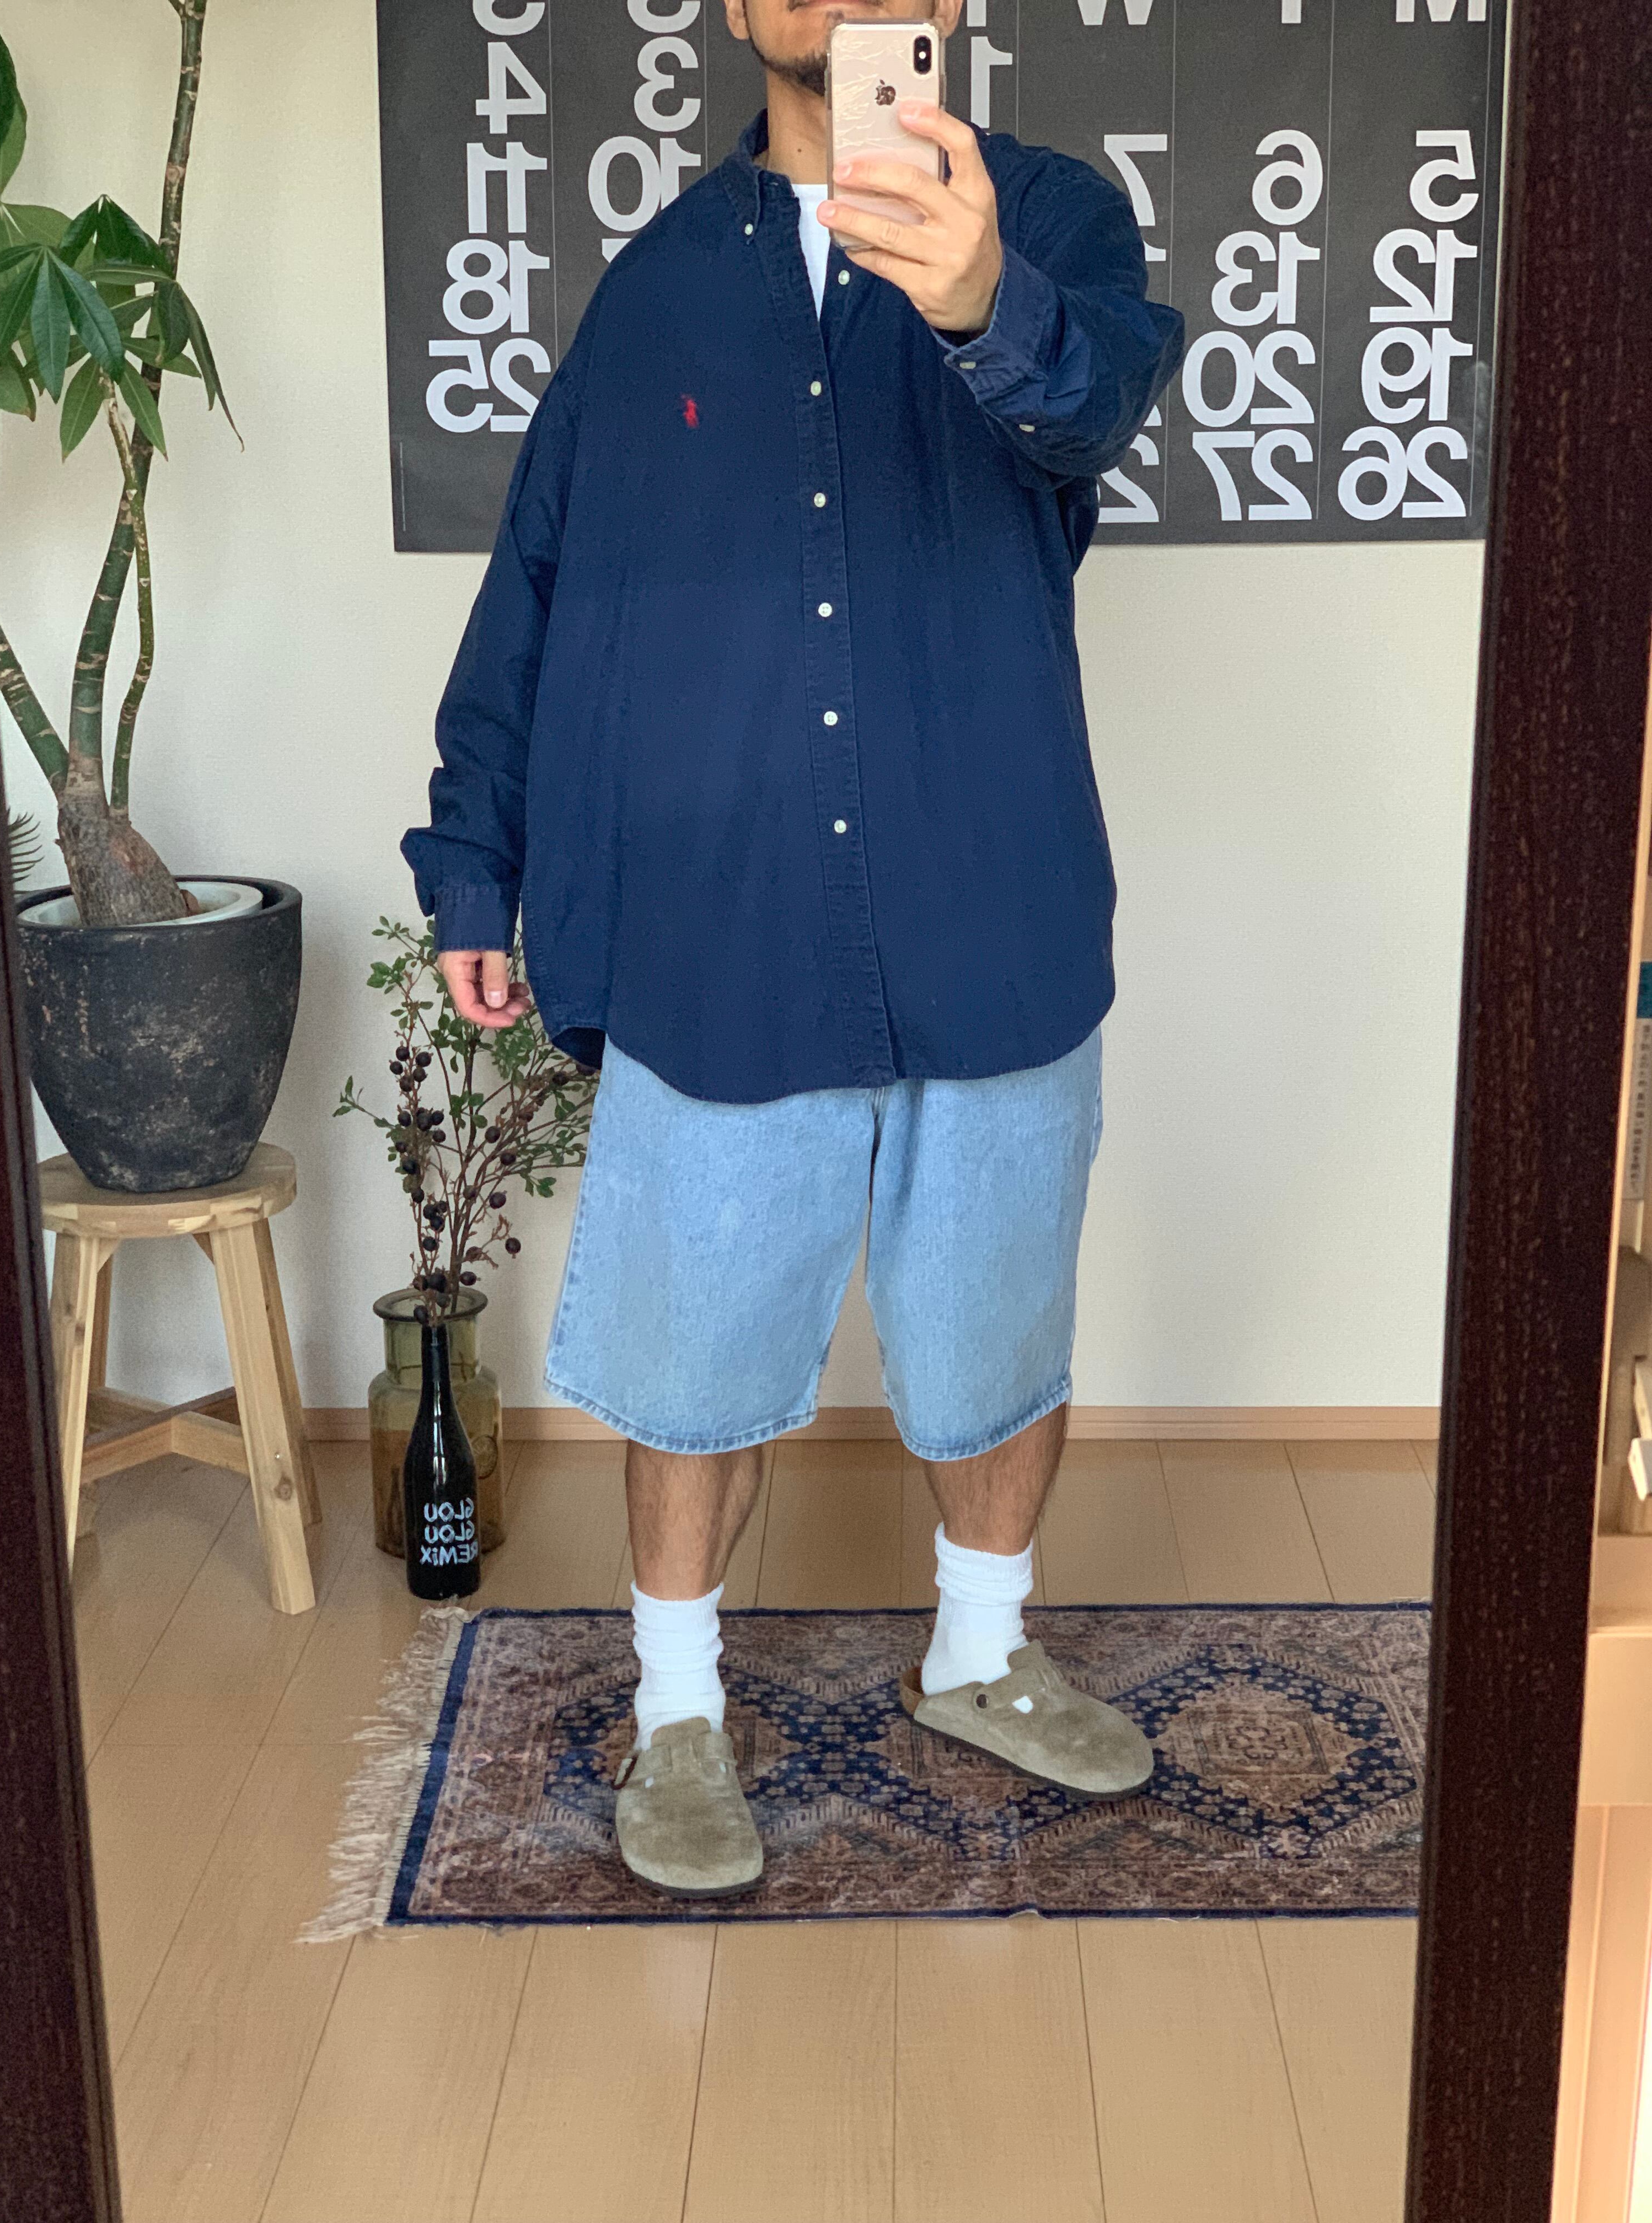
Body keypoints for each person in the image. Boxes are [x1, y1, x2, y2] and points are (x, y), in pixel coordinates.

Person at [402, 0, 1186, 1898]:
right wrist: (474, 862)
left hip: (990, 902)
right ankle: (678, 1711)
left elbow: (1094, 407)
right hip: (721, 930)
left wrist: (984, 300)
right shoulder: (659, 285)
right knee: (693, 1354)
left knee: (999, 1330)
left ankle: (981, 1655)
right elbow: (539, 579)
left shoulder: (1048, 222)